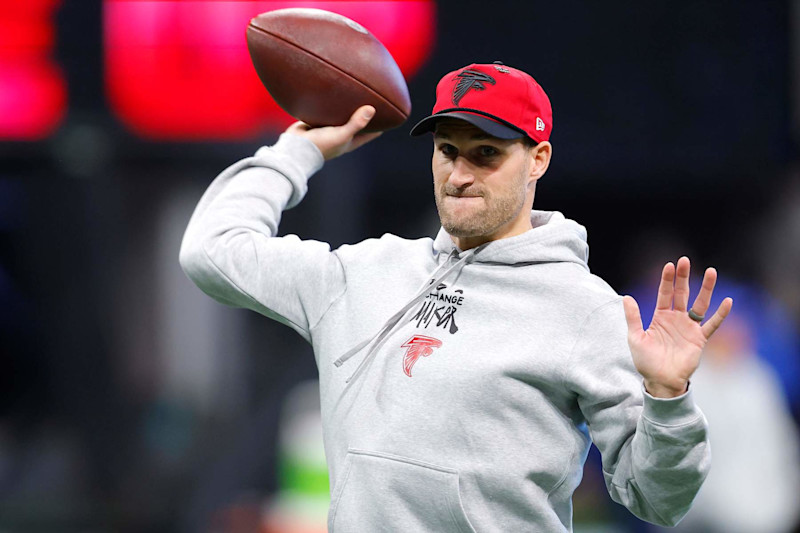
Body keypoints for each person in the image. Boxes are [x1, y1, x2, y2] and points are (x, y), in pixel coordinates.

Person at [179, 62, 732, 532]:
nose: (460, 174)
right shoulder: (364, 271)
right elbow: (211, 251)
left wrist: (667, 395)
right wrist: (295, 152)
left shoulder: (584, 310)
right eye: (448, 151)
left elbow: (659, 500)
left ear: (537, 159)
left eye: (486, 153)